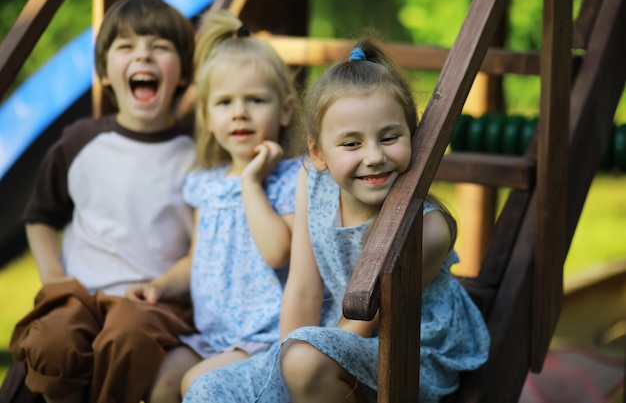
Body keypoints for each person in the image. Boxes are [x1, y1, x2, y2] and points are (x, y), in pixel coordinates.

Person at [182, 37, 491, 403]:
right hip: (326, 339)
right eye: (351, 143)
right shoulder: (311, 182)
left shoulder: (428, 228)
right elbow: (302, 289)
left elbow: (368, 324)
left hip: (408, 353)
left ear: (412, 134)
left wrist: (294, 366)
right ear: (317, 152)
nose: (374, 157)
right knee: (207, 388)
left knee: (303, 363)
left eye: (389, 137)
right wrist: (280, 367)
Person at [9, 0, 198, 403]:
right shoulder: (80, 142)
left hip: (154, 304)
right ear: (106, 72)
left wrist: (163, 287)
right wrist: (53, 276)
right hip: (81, 296)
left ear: (182, 72)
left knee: (127, 335)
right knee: (53, 339)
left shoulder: (196, 153)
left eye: (160, 47)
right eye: (127, 46)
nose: (143, 56)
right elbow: (41, 216)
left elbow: (201, 249)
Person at [124, 9, 302, 402]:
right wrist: (159, 285)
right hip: (212, 334)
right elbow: (197, 257)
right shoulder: (205, 183)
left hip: (265, 334)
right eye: (224, 102)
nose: (239, 112)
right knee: (162, 383)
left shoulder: (292, 178)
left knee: (194, 385)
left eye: (255, 100)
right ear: (207, 116)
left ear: (285, 109)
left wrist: (251, 182)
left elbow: (278, 252)